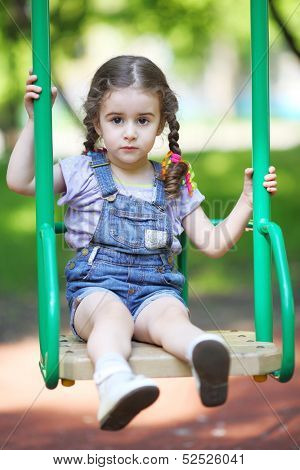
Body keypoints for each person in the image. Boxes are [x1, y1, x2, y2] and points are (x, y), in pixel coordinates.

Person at [6, 55, 278, 431]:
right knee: (112, 316)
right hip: (96, 291)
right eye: (117, 120)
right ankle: (115, 382)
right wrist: (37, 123)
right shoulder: (81, 171)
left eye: (143, 120)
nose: (130, 132)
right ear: (97, 122)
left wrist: (247, 202)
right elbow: (22, 183)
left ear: (161, 123)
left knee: (172, 317)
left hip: (156, 291)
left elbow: (214, 243)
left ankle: (202, 355)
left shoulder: (172, 179)